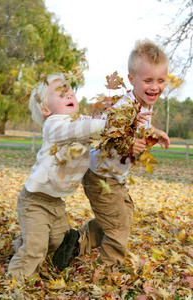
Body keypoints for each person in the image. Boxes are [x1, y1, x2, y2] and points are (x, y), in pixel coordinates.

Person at [52, 39, 170, 274]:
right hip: (101, 178)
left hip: (114, 178)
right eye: (148, 80)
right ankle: (108, 272)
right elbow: (108, 138)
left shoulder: (143, 105)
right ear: (131, 80)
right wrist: (128, 147)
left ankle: (76, 241)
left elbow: (139, 128)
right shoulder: (124, 108)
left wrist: (154, 132)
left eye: (160, 80)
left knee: (123, 216)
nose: (155, 86)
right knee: (118, 228)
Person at [8, 72, 108, 281]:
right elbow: (79, 128)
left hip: (56, 203)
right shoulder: (54, 125)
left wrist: (114, 121)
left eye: (70, 90)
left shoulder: (82, 122)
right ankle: (15, 282)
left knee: (56, 242)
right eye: (60, 94)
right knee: (36, 249)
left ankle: (22, 242)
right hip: (34, 202)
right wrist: (103, 123)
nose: (69, 94)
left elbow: (93, 127)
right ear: (46, 109)